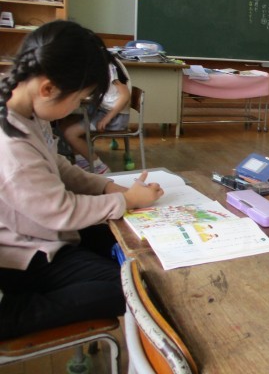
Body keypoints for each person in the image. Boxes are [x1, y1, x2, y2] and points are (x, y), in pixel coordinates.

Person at [0, 20, 164, 341]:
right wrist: (126, 200)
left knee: (128, 245)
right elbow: (61, 211)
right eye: (79, 99)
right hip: (23, 255)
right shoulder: (11, 146)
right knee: (136, 289)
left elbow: (57, 166)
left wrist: (107, 187)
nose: (77, 107)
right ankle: (14, 313)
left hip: (39, 232)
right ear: (48, 88)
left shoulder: (26, 106)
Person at [59, 55, 131, 174]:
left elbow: (125, 95)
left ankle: (99, 167)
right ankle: (83, 161)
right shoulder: (102, 65)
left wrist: (107, 118)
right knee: (66, 124)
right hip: (104, 111)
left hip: (114, 117)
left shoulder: (109, 68)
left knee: (70, 133)